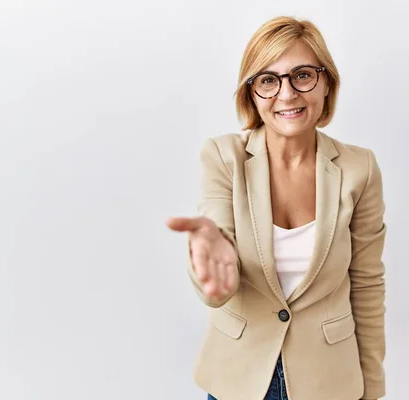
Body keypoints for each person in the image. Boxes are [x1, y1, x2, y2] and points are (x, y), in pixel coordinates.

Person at [166, 16, 387, 400]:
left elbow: (367, 283)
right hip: (238, 379)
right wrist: (210, 256)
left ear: (326, 83)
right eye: (268, 80)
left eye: (303, 75)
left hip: (329, 382)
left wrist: (373, 390)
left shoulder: (359, 168)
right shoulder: (223, 157)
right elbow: (218, 278)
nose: (286, 94)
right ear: (251, 93)